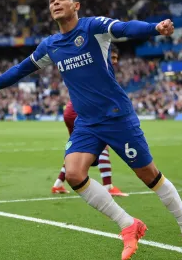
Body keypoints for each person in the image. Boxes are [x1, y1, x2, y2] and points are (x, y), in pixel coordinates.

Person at [0, 0, 182, 260]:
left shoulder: (94, 28)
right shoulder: (50, 45)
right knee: (74, 174)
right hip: (87, 122)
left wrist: (154, 28)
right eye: (52, 0)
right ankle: (128, 224)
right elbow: (21, 69)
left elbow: (126, 28)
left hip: (117, 117)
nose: (55, 3)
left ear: (76, 5)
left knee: (149, 176)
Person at [52, 44, 128, 197]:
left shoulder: (98, 68)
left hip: (72, 110)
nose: (114, 61)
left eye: (116, 58)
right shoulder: (100, 69)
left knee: (76, 151)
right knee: (103, 145)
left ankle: (58, 184)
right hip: (78, 112)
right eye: (112, 57)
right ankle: (108, 187)